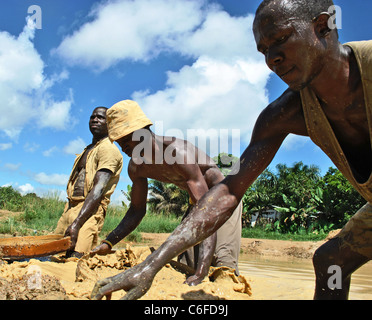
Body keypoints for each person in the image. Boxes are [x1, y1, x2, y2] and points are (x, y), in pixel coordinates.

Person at [91, 0, 372, 300]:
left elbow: (213, 192)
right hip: (210, 202)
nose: (272, 59)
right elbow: (227, 193)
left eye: (280, 39)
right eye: (264, 50)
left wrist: (201, 273)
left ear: (322, 26)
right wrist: (149, 265)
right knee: (330, 261)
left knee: (223, 266)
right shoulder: (283, 115)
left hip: (206, 199)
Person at [90, 100, 243, 286]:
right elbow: (137, 210)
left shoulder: (177, 152)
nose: (123, 148)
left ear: (142, 131)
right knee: (186, 266)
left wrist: (201, 273)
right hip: (198, 203)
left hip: (223, 196)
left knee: (223, 265)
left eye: (125, 140)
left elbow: (207, 212)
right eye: (119, 143)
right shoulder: (136, 168)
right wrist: (109, 242)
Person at [55, 107, 123, 258]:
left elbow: (98, 189)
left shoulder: (108, 149)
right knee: (55, 253)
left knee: (77, 257)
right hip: (70, 207)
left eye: (100, 118)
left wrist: (77, 223)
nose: (95, 120)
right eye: (92, 117)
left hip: (90, 210)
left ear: (110, 124)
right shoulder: (87, 150)